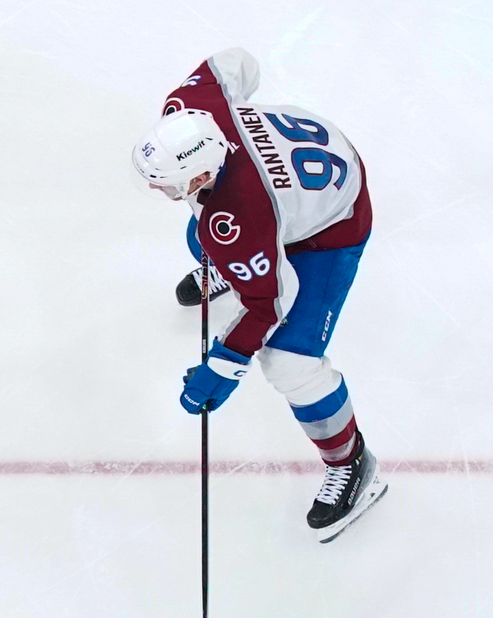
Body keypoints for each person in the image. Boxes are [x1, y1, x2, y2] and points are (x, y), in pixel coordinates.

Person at [133, 48, 385, 539]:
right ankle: (243, 268)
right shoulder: (188, 105)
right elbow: (236, 63)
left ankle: (353, 462)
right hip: (298, 182)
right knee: (205, 237)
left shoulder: (238, 217)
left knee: (290, 363)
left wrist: (224, 364)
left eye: (167, 184)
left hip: (332, 224)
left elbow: (269, 304)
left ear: (202, 175)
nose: (157, 191)